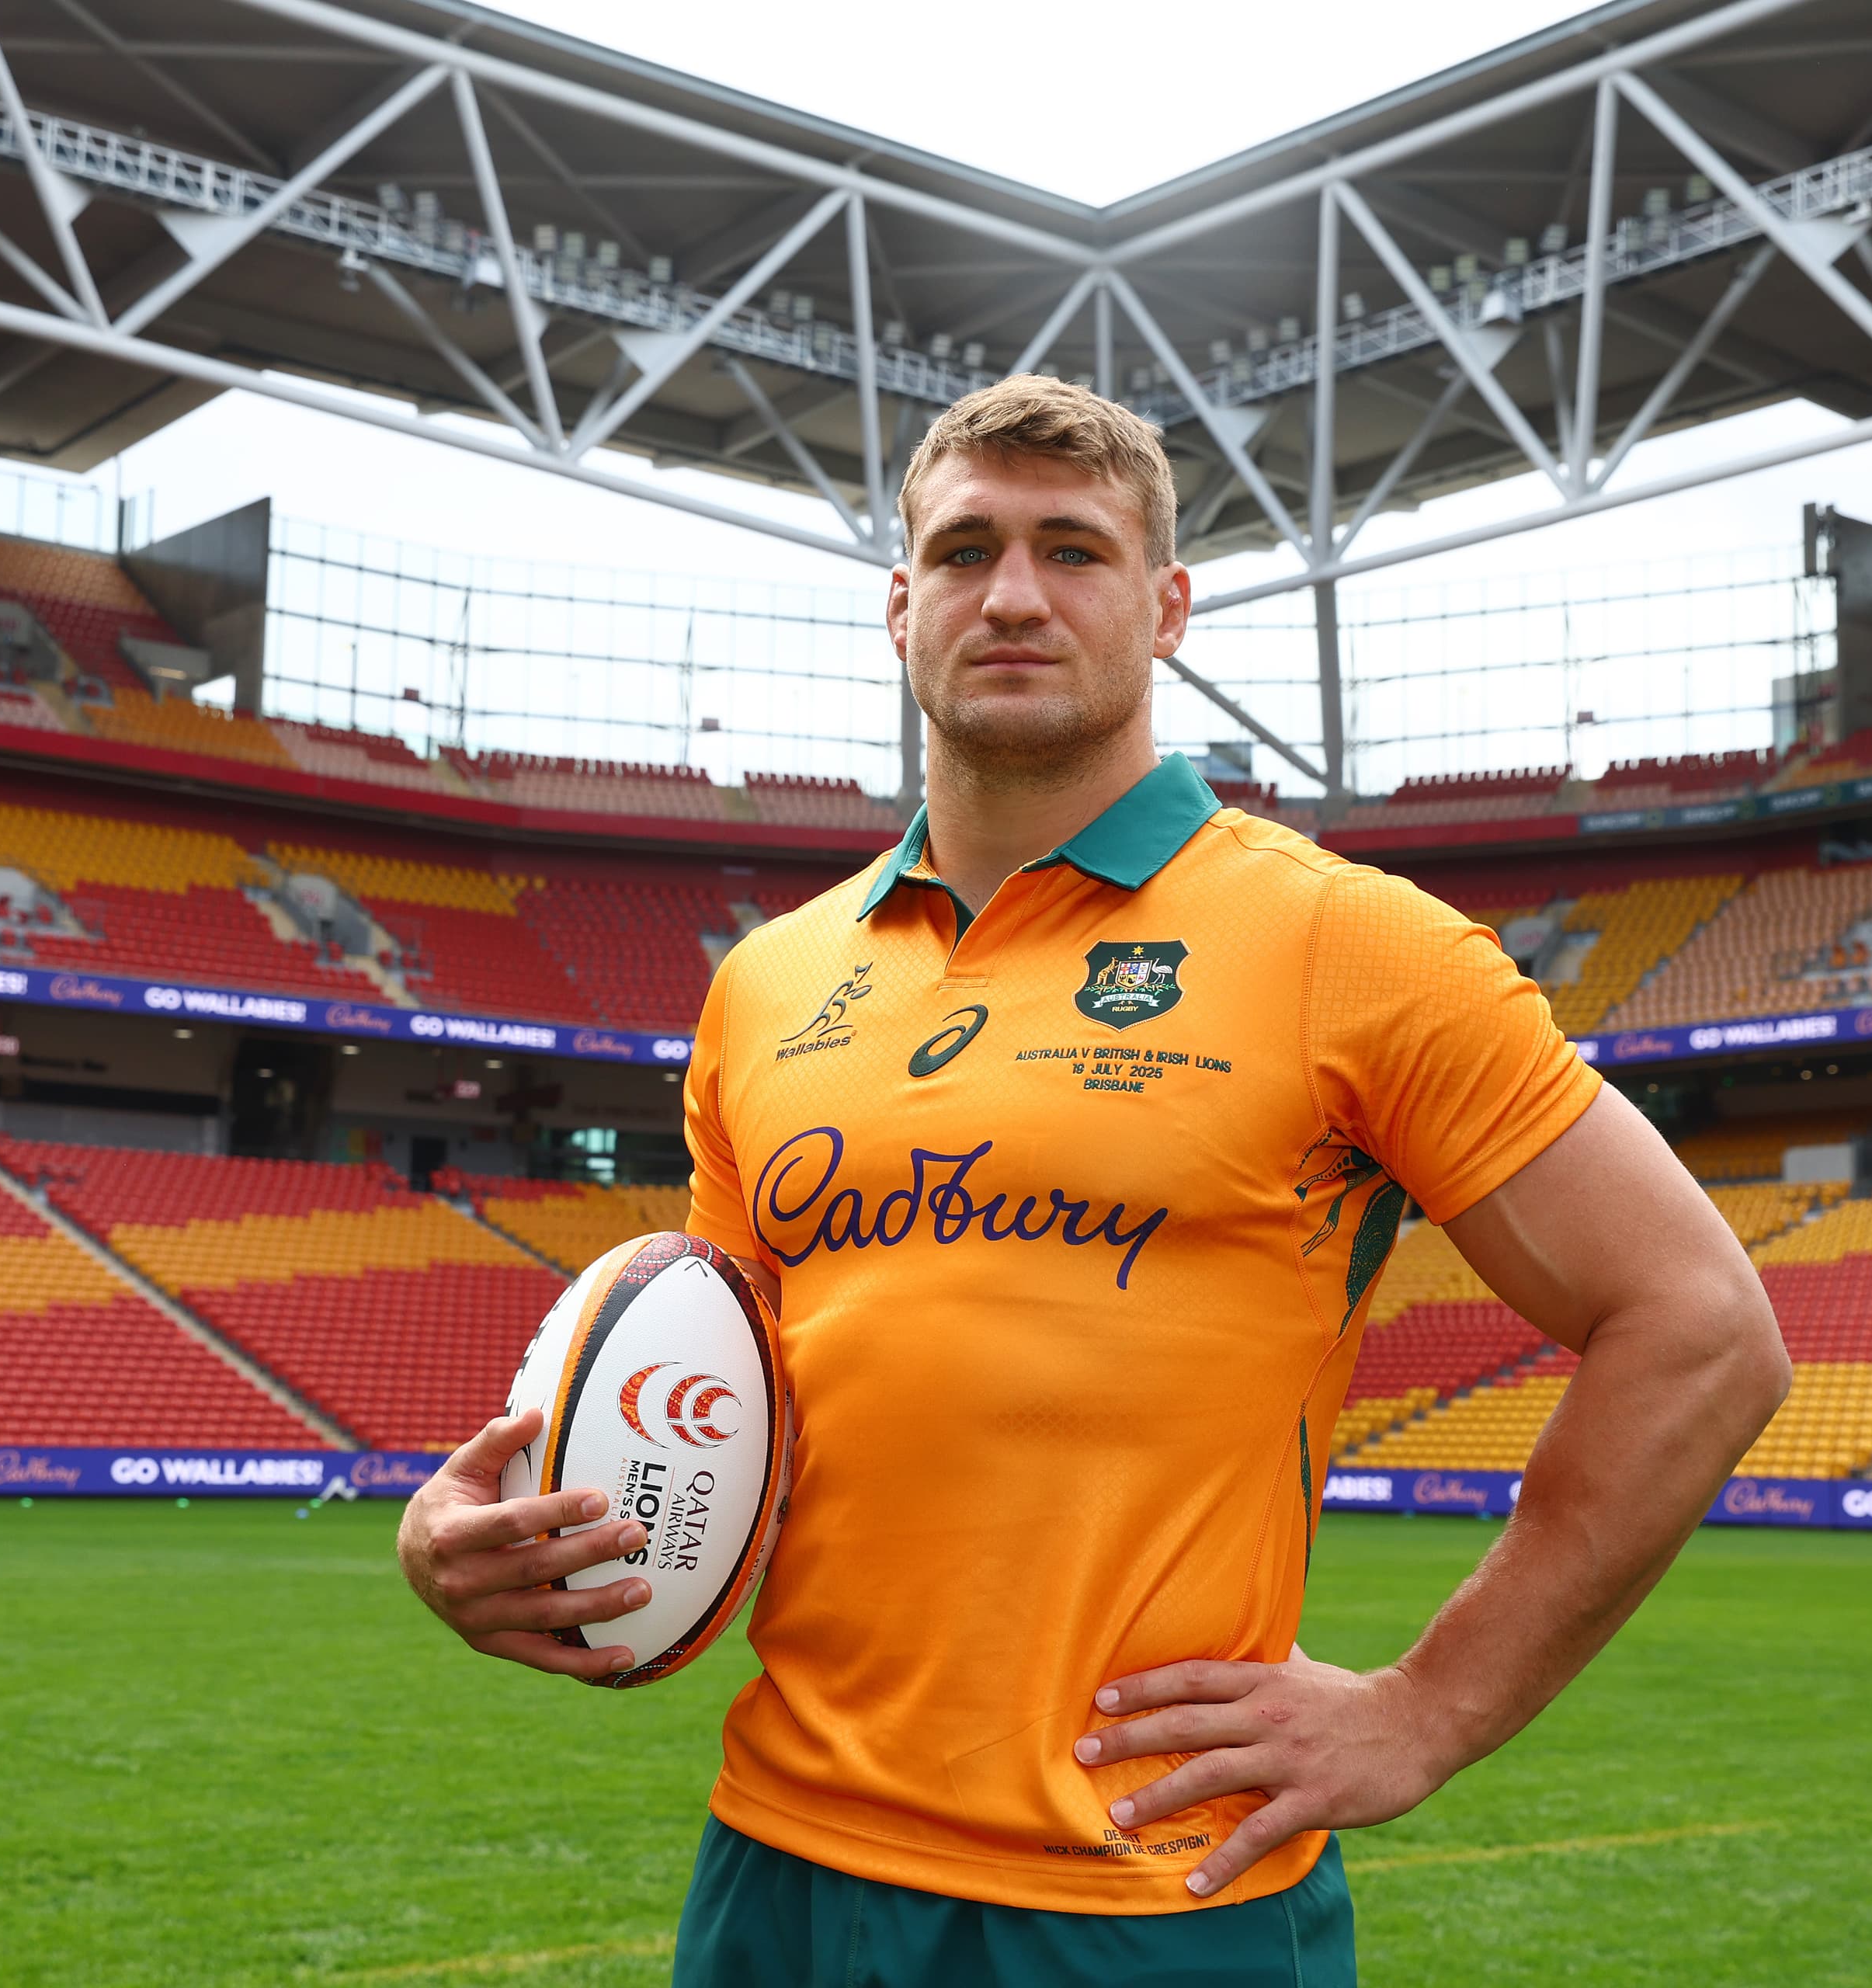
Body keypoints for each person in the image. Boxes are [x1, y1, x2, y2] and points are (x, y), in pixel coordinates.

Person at [399, 376, 1790, 1985]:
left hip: (1152, 1893)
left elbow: (1700, 1324)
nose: (1012, 593)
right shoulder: (768, 982)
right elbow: (724, 1401)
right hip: (775, 1865)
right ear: (900, 603)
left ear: (1168, 604)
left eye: (1074, 548)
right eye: (966, 548)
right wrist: (498, 1529)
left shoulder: (1352, 942)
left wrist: (1431, 1706)